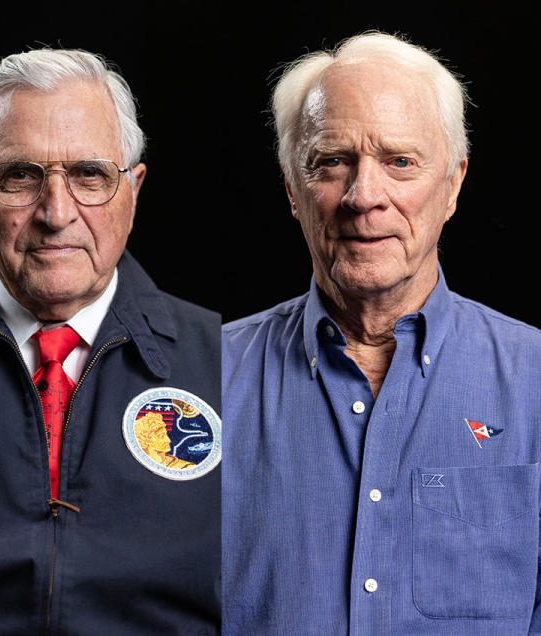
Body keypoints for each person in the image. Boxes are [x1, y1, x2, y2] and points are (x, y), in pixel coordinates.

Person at [222, 31, 541, 633]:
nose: (364, 196)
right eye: (332, 162)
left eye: (399, 161)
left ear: (453, 184)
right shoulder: (206, 382)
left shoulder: (536, 381)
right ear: (293, 189)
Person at [0, 48, 223, 633]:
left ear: (134, 189)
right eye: (20, 176)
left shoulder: (229, 363)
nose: (56, 212)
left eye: (89, 176)